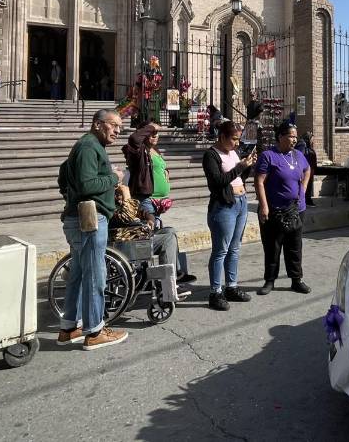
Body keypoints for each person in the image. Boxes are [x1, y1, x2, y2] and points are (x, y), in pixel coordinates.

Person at [55, 109, 129, 351]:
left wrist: (71, 197)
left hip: (80, 218)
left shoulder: (87, 146)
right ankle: (95, 331)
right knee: (96, 275)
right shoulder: (88, 146)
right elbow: (87, 184)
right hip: (89, 220)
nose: (118, 131)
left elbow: (63, 175)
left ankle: (69, 327)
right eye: (114, 125)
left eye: (120, 127)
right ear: (98, 124)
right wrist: (114, 177)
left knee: (77, 274)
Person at [122, 123, 197, 284]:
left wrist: (165, 173)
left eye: (157, 133)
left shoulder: (154, 150)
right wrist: (150, 127)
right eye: (151, 133)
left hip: (157, 202)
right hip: (146, 200)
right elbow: (134, 139)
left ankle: (174, 273)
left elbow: (157, 168)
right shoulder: (139, 151)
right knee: (148, 238)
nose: (155, 135)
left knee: (167, 233)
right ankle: (158, 278)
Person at [201, 120, 256, 310]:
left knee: (234, 248)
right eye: (233, 139)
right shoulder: (211, 155)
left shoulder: (233, 152)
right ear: (222, 136)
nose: (237, 143)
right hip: (224, 206)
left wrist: (247, 165)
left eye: (238, 139)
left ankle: (231, 287)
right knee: (221, 250)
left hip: (241, 202)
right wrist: (240, 167)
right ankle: (215, 292)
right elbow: (217, 182)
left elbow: (239, 177)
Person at [255, 122, 312, 295]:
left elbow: (307, 169)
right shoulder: (269, 156)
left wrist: (303, 188)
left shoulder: (298, 155)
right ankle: (269, 280)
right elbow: (259, 181)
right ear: (280, 137)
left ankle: (296, 280)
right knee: (272, 246)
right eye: (291, 136)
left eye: (295, 136)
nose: (294, 140)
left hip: (297, 209)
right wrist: (264, 206)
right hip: (274, 210)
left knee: (294, 246)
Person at [296, 132, 318, 207]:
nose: (313, 141)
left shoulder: (307, 145)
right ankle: (304, 201)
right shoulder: (302, 144)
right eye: (312, 139)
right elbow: (300, 156)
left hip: (309, 169)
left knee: (308, 186)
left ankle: (307, 200)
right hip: (304, 170)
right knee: (305, 186)